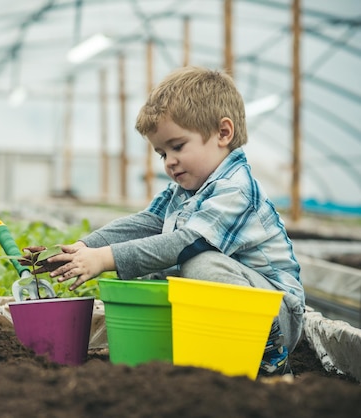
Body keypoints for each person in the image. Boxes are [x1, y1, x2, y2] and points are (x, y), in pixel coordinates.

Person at [33, 66, 305, 378]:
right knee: (162, 274)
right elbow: (146, 224)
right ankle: (198, 356)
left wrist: (104, 259)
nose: (169, 161)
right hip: (233, 311)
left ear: (223, 133)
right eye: (161, 153)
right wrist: (83, 248)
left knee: (198, 265)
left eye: (177, 146)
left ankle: (272, 361)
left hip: (275, 313)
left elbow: (185, 242)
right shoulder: (184, 189)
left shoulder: (236, 189)